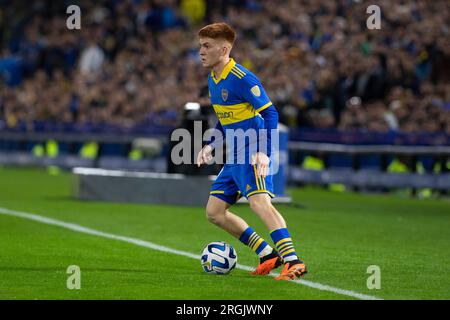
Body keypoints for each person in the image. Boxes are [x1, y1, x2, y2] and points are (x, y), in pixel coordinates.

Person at [196, 22, 307, 280]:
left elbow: (270, 112)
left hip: (252, 149)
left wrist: (264, 152)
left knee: (259, 203)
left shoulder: (242, 78)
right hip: (234, 154)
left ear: (224, 49)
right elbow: (224, 120)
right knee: (214, 212)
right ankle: (267, 253)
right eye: (201, 45)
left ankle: (293, 260)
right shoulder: (214, 78)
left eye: (206, 46)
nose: (201, 51)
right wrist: (210, 145)